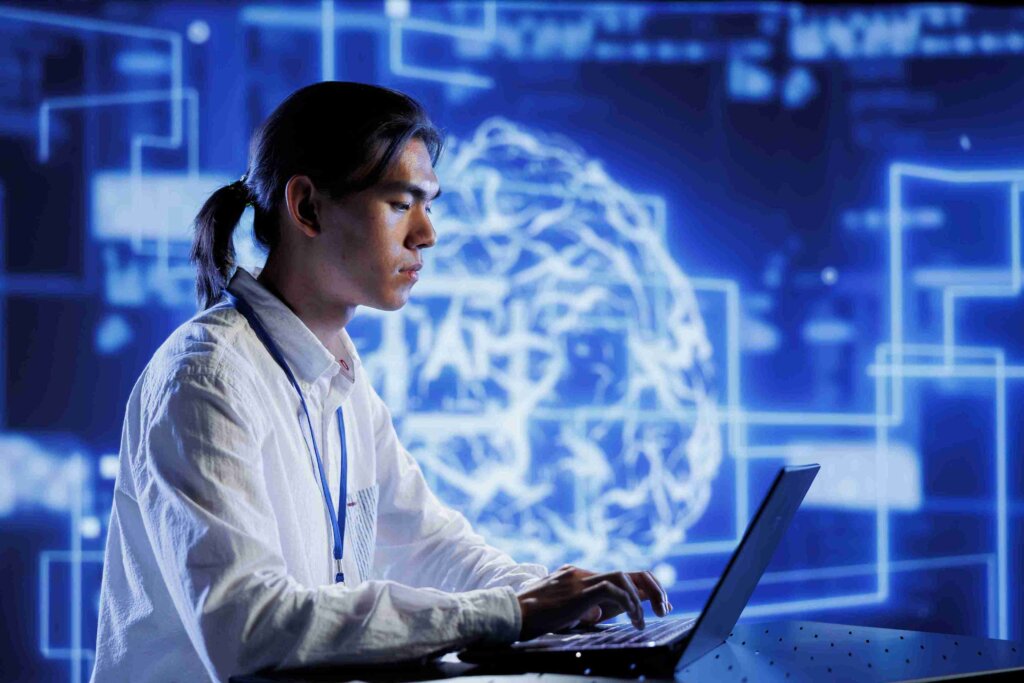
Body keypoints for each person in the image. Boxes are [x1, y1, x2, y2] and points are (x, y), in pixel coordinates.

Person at [91, 81, 671, 683]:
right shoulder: (207, 378)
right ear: (308, 207)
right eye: (400, 204)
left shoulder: (338, 380)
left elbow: (429, 545)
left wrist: (556, 598)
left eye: (429, 204)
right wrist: (509, 613)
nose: (426, 234)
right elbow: (249, 630)